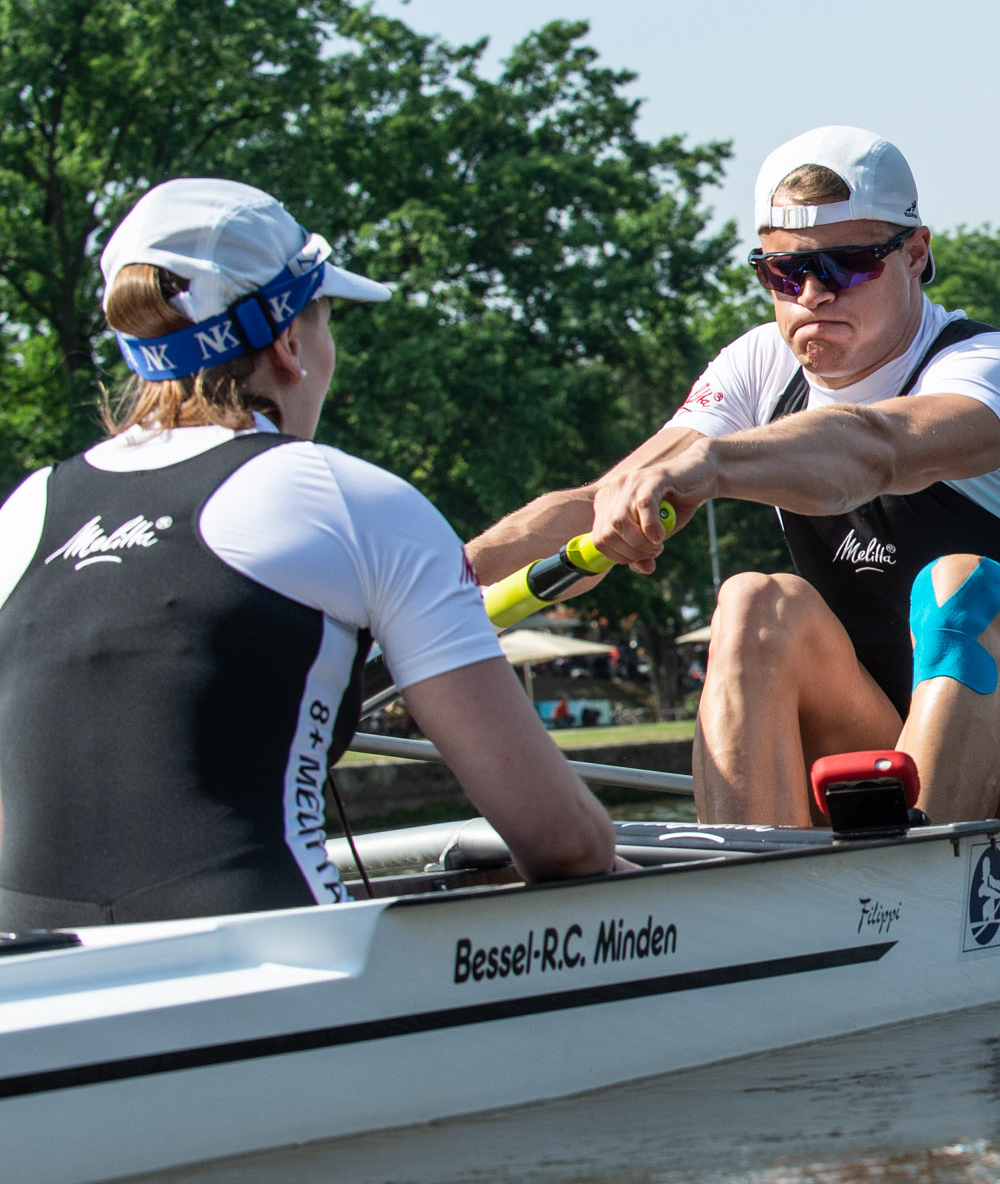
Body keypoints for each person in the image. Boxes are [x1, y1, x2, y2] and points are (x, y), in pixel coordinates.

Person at [469, 126, 1000, 827]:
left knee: (958, 585)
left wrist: (716, 463)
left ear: (916, 254)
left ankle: (904, 896)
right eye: (784, 273)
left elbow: (876, 449)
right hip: (892, 752)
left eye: (847, 264)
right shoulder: (758, 364)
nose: (813, 294)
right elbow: (592, 504)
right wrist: (440, 581)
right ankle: (752, 894)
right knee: (754, 601)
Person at [0, 179, 618, 930]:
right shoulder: (349, 498)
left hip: (27, 985)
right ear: (290, 342)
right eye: (326, 323)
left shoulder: (25, 511)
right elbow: (564, 844)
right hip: (273, 965)